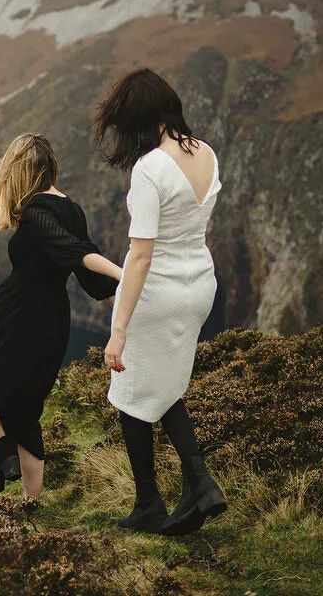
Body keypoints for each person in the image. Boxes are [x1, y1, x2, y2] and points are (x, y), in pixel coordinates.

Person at [0, 133, 123, 505]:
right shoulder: (72, 209)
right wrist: (126, 306)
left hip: (15, 315)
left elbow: (78, 254)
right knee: (24, 407)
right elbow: (87, 275)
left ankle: (2, 450)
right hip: (53, 321)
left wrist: (126, 276)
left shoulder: (35, 213)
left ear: (18, 172)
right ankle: (31, 503)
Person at [93, 68, 227, 535]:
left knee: (131, 394)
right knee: (164, 386)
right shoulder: (205, 153)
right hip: (200, 284)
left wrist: (119, 329)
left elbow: (142, 253)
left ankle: (151, 501)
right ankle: (199, 485)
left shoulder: (150, 168)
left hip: (161, 289)